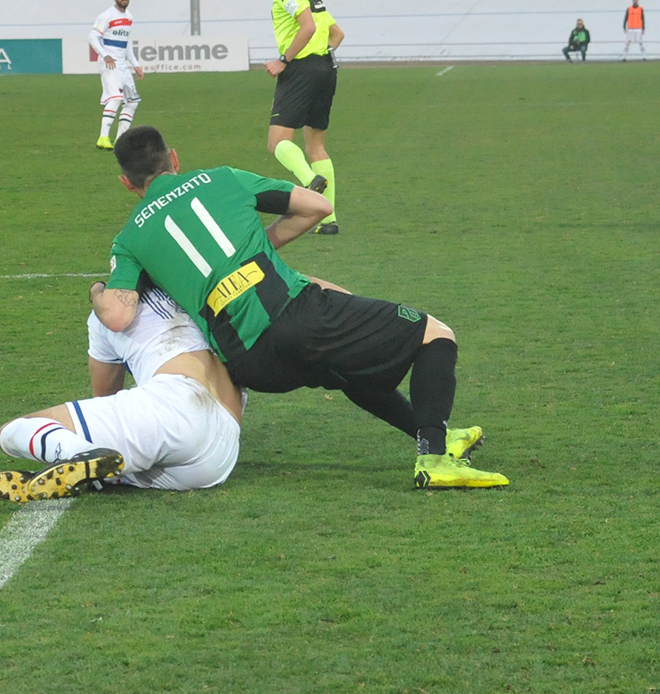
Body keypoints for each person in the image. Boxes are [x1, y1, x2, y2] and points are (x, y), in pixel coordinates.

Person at [92, 126, 509, 490]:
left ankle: (434, 435)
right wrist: (260, 247)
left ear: (127, 183)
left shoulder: (129, 239)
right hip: (297, 318)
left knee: (345, 369)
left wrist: (97, 290)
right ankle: (435, 458)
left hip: (248, 365)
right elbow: (318, 207)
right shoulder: (222, 179)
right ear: (174, 158)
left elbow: (118, 316)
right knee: (436, 333)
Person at [0, 287, 244, 502]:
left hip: (174, 408)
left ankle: (78, 452)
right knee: (128, 466)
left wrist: (96, 291)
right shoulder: (201, 295)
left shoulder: (109, 311)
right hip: (220, 455)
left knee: (14, 430)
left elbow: (104, 394)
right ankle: (92, 474)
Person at [265, 0, 344, 235]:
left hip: (300, 70)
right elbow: (337, 35)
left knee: (277, 142)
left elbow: (308, 27)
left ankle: (311, 181)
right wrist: (319, 61)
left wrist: (283, 60)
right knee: (316, 147)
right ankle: (328, 221)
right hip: (326, 69)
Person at [88, 0, 143, 151]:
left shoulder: (129, 17)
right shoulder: (107, 15)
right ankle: (103, 138)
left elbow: (126, 42)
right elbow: (92, 36)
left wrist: (135, 64)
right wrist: (105, 55)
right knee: (116, 98)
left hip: (122, 64)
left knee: (132, 102)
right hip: (109, 62)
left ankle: (120, 141)